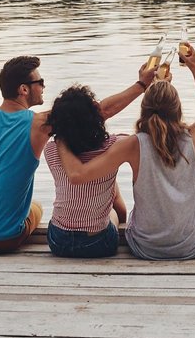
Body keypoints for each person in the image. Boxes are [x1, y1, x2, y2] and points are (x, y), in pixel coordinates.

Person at [0, 55, 151, 253]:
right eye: (40, 82)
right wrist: (142, 85)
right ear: (24, 90)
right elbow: (100, 111)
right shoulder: (39, 124)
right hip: (5, 239)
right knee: (36, 206)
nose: (44, 86)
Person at [57, 44, 195, 260]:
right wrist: (194, 69)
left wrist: (60, 138)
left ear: (144, 109)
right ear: (178, 109)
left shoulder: (132, 144)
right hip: (189, 246)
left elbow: (78, 175)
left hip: (145, 247)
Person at [44, 80, 137, 258]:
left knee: (104, 183)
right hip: (97, 244)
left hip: (57, 241)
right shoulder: (114, 145)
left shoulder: (51, 149)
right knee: (110, 204)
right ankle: (121, 222)